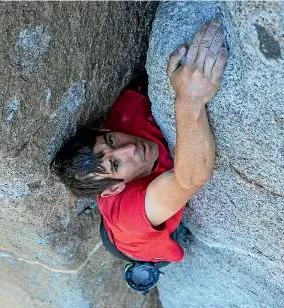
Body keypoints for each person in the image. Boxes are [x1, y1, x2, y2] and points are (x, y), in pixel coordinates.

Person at [51, 18, 227, 264]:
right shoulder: (130, 215)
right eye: (115, 165)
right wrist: (189, 100)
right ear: (113, 188)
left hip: (120, 220)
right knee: (149, 256)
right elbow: (191, 178)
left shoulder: (129, 109)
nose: (130, 148)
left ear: (104, 129)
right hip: (132, 242)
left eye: (110, 140)